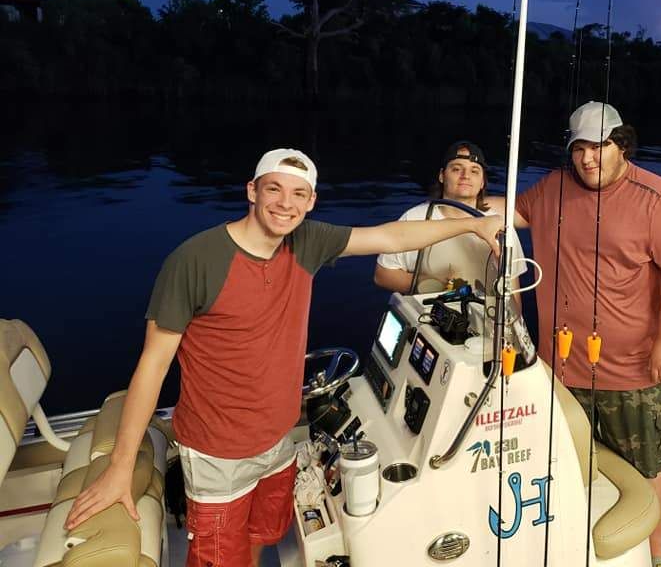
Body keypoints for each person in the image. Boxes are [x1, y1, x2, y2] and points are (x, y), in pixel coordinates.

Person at [64, 147, 503, 567]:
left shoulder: (307, 241)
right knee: (218, 558)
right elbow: (153, 366)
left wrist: (471, 226)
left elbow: (390, 235)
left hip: (280, 440)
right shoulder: (194, 260)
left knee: (259, 539)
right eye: (274, 189)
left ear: (311, 201)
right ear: (252, 190)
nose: (285, 204)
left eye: (298, 194)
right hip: (218, 452)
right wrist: (121, 469)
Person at [511, 102, 661, 567]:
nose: (588, 159)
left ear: (622, 145)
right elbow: (510, 215)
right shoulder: (552, 189)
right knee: (568, 455)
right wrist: (462, 198)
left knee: (647, 464)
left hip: (633, 368)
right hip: (560, 365)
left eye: (600, 146)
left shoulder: (658, 198)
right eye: (579, 148)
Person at [373, 140, 527, 294]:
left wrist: (513, 318)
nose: (465, 176)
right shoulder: (415, 218)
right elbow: (382, 275)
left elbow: (513, 290)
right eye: (456, 169)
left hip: (486, 315)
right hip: (429, 313)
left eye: (474, 171)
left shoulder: (501, 227)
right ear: (442, 176)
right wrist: (430, 286)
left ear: (482, 182)